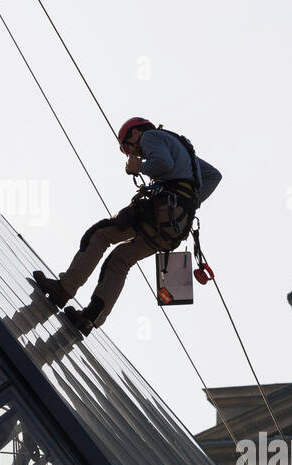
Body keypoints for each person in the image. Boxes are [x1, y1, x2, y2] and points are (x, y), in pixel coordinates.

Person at [33, 117, 220, 335]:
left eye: (129, 148)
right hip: (176, 225)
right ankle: (89, 319)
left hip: (161, 211)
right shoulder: (186, 155)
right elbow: (214, 176)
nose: (136, 154)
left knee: (100, 235)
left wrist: (139, 167)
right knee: (120, 260)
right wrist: (190, 202)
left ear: (134, 134)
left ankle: (63, 290)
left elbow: (164, 164)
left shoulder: (150, 136)